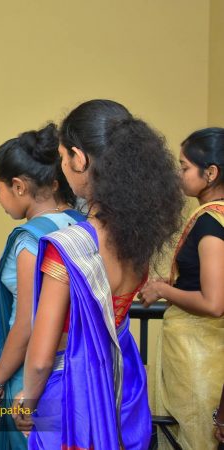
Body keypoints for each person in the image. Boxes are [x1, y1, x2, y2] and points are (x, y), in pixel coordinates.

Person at [12, 99, 183, 449]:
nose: (62, 166)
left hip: (72, 391)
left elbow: (42, 359)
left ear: (79, 158)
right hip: (123, 379)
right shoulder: (139, 236)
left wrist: (26, 400)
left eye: (63, 157)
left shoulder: (69, 246)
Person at [0, 123, 83, 450]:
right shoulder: (83, 224)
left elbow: (26, 324)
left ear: (19, 186)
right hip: (74, 367)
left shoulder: (31, 240)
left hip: (32, 371)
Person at [140, 127, 224, 450]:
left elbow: (214, 302)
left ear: (211, 173)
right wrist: (174, 283)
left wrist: (163, 292)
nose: (179, 174)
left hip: (200, 358)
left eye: (185, 167)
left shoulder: (211, 223)